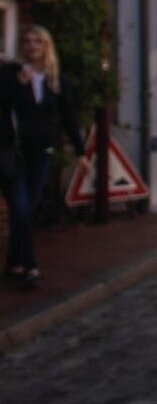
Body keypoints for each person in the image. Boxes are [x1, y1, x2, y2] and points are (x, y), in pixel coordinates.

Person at [1, 25, 85, 289]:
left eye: (37, 42)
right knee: (21, 207)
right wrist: (17, 84)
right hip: (12, 152)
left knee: (24, 210)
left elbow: (68, 117)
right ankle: (30, 266)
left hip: (41, 154)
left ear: (46, 46)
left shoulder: (55, 80)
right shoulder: (10, 74)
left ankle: (13, 263)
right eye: (27, 41)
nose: (32, 46)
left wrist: (81, 151)